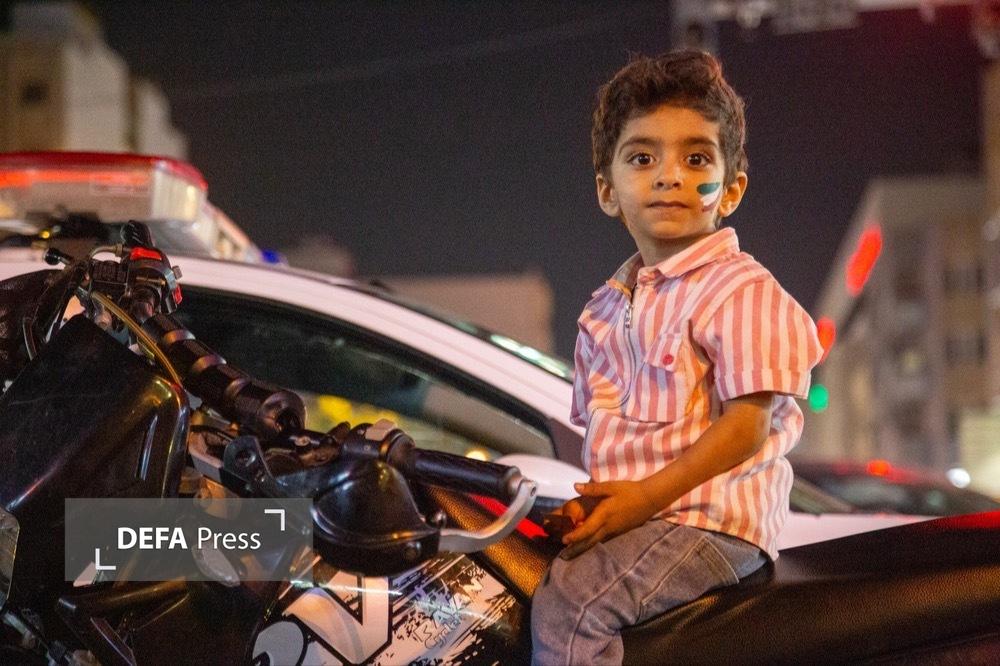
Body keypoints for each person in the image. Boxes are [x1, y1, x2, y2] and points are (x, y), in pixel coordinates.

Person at [531, 50, 824, 665]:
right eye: (643, 158)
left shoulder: (739, 291)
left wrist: (643, 499)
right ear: (608, 191)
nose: (670, 176)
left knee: (573, 607)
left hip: (711, 524)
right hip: (649, 520)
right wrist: (599, 504)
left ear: (730, 189)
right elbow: (617, 442)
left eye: (696, 160)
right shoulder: (606, 308)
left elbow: (746, 428)